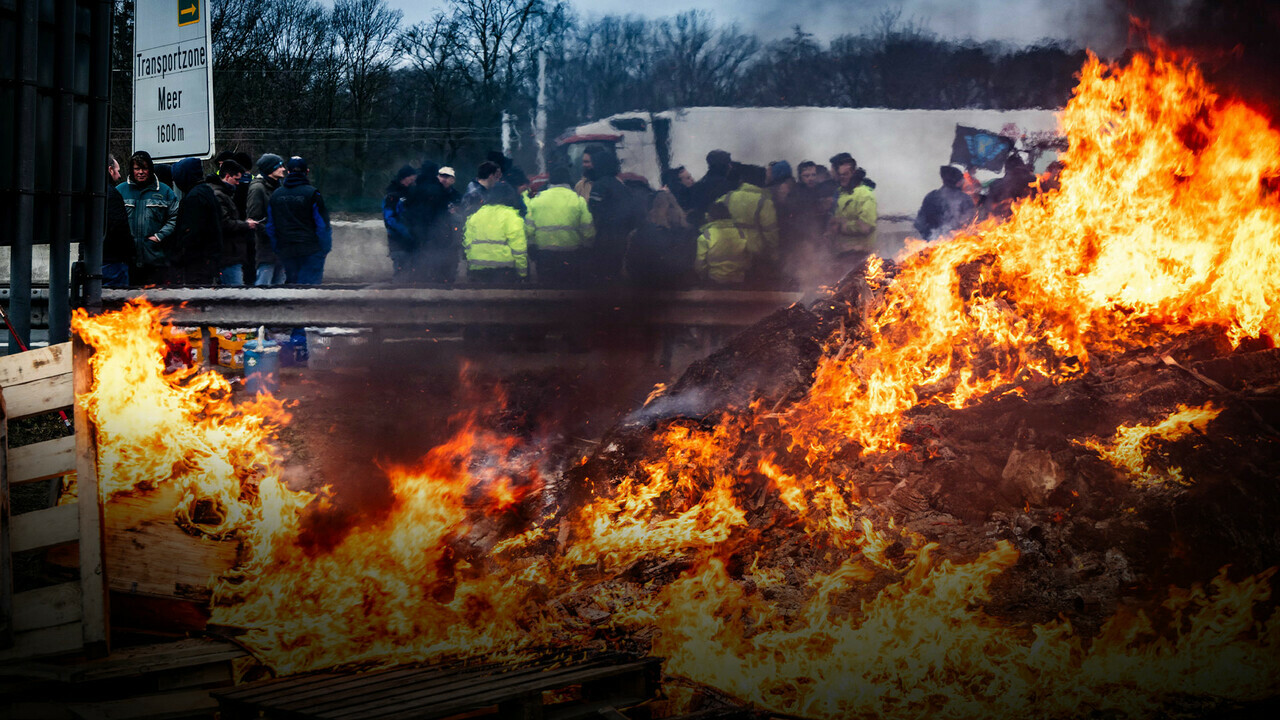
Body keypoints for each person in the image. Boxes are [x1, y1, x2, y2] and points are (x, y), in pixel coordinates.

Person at [116, 150, 179, 286]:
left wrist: (159, 236)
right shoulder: (120, 191)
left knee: (154, 303)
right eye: (137, 168)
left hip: (155, 260)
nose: (140, 172)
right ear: (131, 170)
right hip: (128, 259)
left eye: (144, 168)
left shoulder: (165, 191)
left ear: (150, 169)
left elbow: (175, 217)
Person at [526, 164, 594, 286]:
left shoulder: (537, 200)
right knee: (569, 291)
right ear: (568, 180)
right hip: (571, 254)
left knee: (546, 291)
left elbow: (529, 228)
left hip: (544, 254)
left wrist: (531, 247)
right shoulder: (578, 200)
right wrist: (587, 248)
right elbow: (588, 230)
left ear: (551, 180)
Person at [267, 156, 331, 284]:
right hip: (311, 250)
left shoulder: (276, 195)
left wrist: (277, 248)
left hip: (286, 250)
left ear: (288, 172)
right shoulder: (313, 194)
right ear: (306, 172)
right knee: (310, 290)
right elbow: (322, 225)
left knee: (291, 287)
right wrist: (325, 248)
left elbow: (270, 226)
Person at [627, 171, 695, 289]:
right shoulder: (688, 233)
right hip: (679, 288)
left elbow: (631, 267)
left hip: (647, 289)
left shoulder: (641, 234)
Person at [583, 144, 637, 282]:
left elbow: (595, 211)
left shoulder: (600, 185)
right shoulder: (620, 185)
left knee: (602, 276)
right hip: (621, 238)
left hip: (605, 238)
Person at [720, 164, 780, 283]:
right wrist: (774, 254)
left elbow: (710, 219)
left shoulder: (726, 198)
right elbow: (770, 232)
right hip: (755, 258)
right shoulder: (764, 201)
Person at [170, 157, 223, 285]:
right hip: (208, 260)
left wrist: (177, 257)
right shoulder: (206, 192)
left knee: (195, 298)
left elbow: (191, 232)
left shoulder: (194, 197)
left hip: (196, 262)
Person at [463, 183, 527, 283]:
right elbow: (518, 248)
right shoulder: (512, 216)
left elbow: (467, 244)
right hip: (503, 270)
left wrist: (471, 266)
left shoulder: (476, 215)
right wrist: (522, 273)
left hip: (478, 269)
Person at [406, 161, 456, 283]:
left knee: (419, 259)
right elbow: (443, 212)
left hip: (417, 230)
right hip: (435, 231)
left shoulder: (414, 188)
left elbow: (408, 210)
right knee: (435, 260)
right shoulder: (439, 189)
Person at [211, 159, 258, 285]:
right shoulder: (219, 195)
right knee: (235, 295)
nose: (238, 183)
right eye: (236, 179)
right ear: (227, 176)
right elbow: (225, 223)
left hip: (230, 254)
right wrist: (246, 225)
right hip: (228, 255)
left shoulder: (223, 193)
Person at [828, 156, 877, 262]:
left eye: (845, 174)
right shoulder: (840, 193)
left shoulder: (865, 195)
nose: (842, 178)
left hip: (860, 255)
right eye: (840, 175)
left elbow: (866, 226)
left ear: (853, 173)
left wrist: (841, 227)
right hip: (841, 254)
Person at [247, 153, 286, 286]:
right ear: (270, 169)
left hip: (280, 250)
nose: (283, 169)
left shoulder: (278, 187)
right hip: (266, 250)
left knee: (280, 290)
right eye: (279, 166)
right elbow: (254, 220)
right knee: (263, 287)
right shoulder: (258, 188)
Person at [695, 201, 754, 286]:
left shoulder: (706, 236)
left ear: (709, 217)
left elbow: (700, 264)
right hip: (740, 280)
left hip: (714, 280)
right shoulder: (742, 233)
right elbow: (749, 257)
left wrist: (703, 277)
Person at [914, 165, 977, 241]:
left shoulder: (931, 196)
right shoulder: (965, 199)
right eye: (962, 180)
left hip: (934, 246)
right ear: (958, 182)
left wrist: (929, 237)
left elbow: (919, 223)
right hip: (956, 245)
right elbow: (971, 223)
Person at [102, 156, 134, 287]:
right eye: (118, 170)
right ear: (110, 170)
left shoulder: (91, 192)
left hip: (95, 258)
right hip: (114, 260)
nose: (120, 175)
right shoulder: (112, 194)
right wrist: (130, 252)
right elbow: (119, 227)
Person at [383, 164, 418, 281]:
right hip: (398, 240)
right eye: (411, 178)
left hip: (410, 239)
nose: (413, 181)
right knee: (402, 271)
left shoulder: (410, 193)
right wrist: (406, 232)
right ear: (404, 177)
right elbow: (390, 219)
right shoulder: (392, 195)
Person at [687, 149, 734, 225]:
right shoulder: (728, 186)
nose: (730, 167)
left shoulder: (698, 185)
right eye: (728, 163)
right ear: (724, 166)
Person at [986, 153, 1038, 219]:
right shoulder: (996, 185)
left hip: (1029, 217)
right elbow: (990, 205)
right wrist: (1003, 204)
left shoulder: (1032, 181)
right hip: (1013, 221)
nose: (1016, 174)